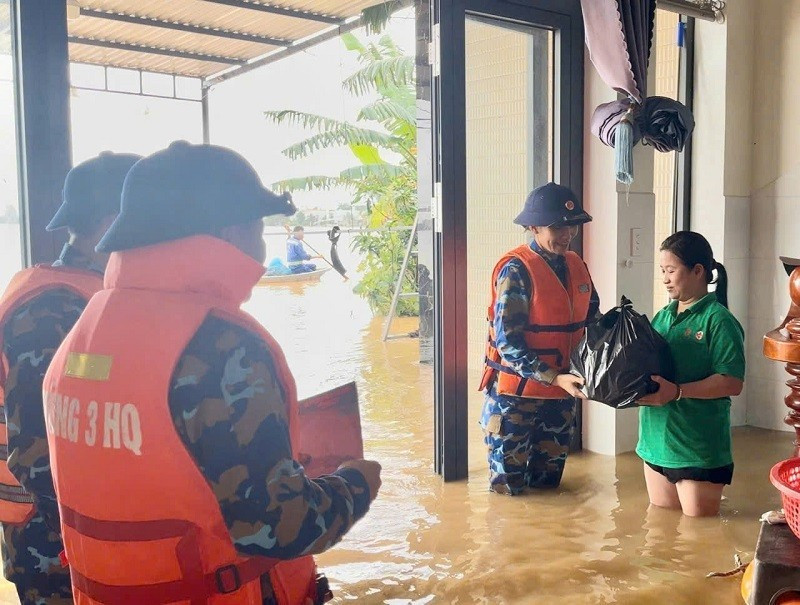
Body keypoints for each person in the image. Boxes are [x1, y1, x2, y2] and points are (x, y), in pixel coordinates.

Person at [41, 141, 381, 604]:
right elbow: (279, 527)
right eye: (259, 228)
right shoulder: (219, 343)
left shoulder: (88, 325)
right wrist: (355, 484)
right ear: (232, 231)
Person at [0, 152, 141, 604]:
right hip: (53, 543)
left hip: (85, 535)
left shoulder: (95, 296)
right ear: (114, 220)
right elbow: (40, 455)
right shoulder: (51, 310)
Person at [479, 182, 599, 495]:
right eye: (557, 227)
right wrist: (554, 377)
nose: (566, 234)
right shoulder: (516, 270)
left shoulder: (576, 265)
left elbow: (594, 321)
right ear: (534, 227)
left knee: (549, 488)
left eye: (570, 226)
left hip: (559, 397)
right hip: (515, 398)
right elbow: (508, 344)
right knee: (510, 492)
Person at [637, 231, 744, 517]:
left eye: (671, 271)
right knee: (660, 530)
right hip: (655, 442)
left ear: (698, 271)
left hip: (697, 446)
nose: (665, 279)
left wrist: (678, 391)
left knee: (699, 534)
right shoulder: (663, 317)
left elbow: (732, 382)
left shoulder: (718, 320)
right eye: (662, 271)